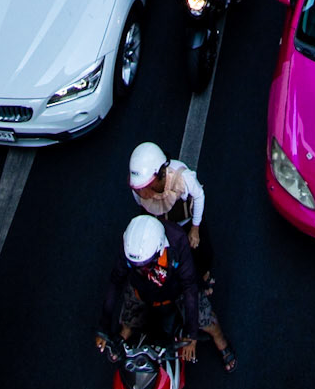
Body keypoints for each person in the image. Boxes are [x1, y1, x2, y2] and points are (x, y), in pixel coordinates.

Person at [96, 214, 236, 372]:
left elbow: (189, 285)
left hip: (178, 288)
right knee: (128, 320)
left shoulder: (177, 240)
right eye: (136, 266)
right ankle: (125, 332)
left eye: (145, 265)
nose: (141, 269)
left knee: (205, 320)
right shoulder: (130, 245)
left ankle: (220, 340)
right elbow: (116, 280)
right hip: (142, 288)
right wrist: (104, 325)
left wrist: (191, 334)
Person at [129, 142, 214, 289]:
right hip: (162, 224)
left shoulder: (182, 178)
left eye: (147, 186)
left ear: (160, 174)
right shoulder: (138, 189)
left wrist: (195, 228)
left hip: (186, 222)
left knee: (201, 251)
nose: (142, 193)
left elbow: (199, 196)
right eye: (139, 189)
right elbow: (142, 207)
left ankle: (203, 275)